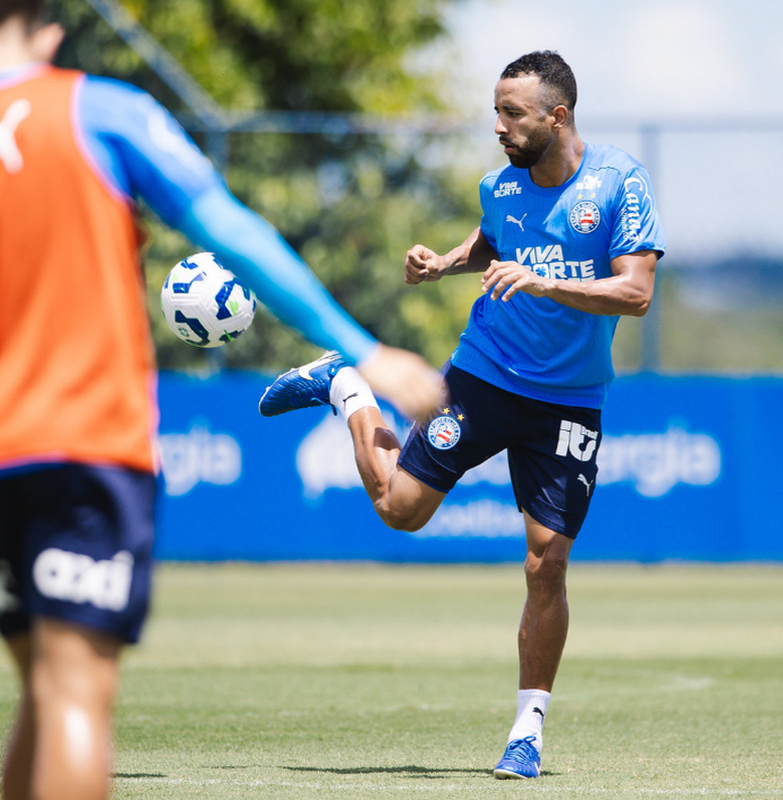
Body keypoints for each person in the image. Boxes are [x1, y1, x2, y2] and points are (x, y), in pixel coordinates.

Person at [0, 2, 441, 798]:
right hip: (90, 447)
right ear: (49, 31)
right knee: (74, 692)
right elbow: (236, 232)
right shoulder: (107, 114)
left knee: (44, 686)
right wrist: (365, 348)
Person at [259, 50, 666, 779]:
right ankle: (346, 388)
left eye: (513, 114)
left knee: (548, 562)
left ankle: (528, 731)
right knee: (399, 509)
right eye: (497, 112)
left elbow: (635, 293)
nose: (500, 127)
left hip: (569, 401)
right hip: (482, 376)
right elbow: (497, 239)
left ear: (558, 116)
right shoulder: (499, 186)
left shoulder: (618, 183)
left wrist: (542, 283)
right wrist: (446, 263)